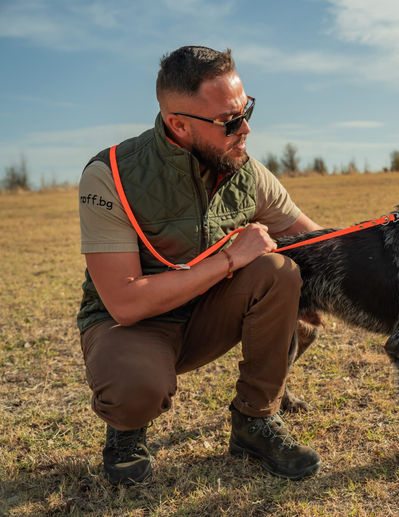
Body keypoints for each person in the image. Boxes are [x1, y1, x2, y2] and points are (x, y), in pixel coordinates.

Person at [77, 46, 323, 485]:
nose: (245, 128)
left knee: (281, 272)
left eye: (246, 110)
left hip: (208, 316)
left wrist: (396, 236)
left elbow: (317, 240)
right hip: (134, 327)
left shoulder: (247, 171)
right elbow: (125, 304)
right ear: (179, 124)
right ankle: (127, 430)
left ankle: (254, 421)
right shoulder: (110, 174)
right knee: (136, 388)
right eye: (230, 121)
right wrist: (231, 258)